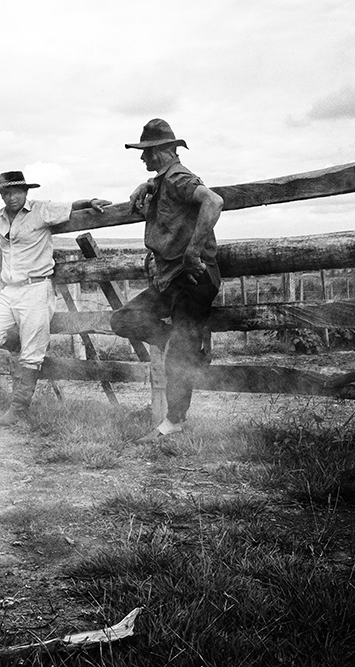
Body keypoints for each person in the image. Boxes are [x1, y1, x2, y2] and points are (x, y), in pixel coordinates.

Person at [110, 119, 223, 441]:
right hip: (171, 278)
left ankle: (174, 423)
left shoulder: (178, 177)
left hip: (191, 276)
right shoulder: (164, 179)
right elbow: (164, 188)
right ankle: (182, 342)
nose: (143, 159)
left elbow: (213, 201)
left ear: (161, 152)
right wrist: (147, 184)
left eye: (146, 153)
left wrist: (194, 251)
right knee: (123, 319)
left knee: (178, 355)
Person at [0, 171, 111, 425]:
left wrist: (90, 202)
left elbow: (71, 207)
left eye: (17, 191)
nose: (12, 196)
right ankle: (26, 342)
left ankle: (17, 412)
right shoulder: (1, 218)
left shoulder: (41, 211)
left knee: (31, 356)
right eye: (7, 192)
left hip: (36, 289)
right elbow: (7, 251)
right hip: (10, 290)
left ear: (26, 192)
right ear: (1, 194)